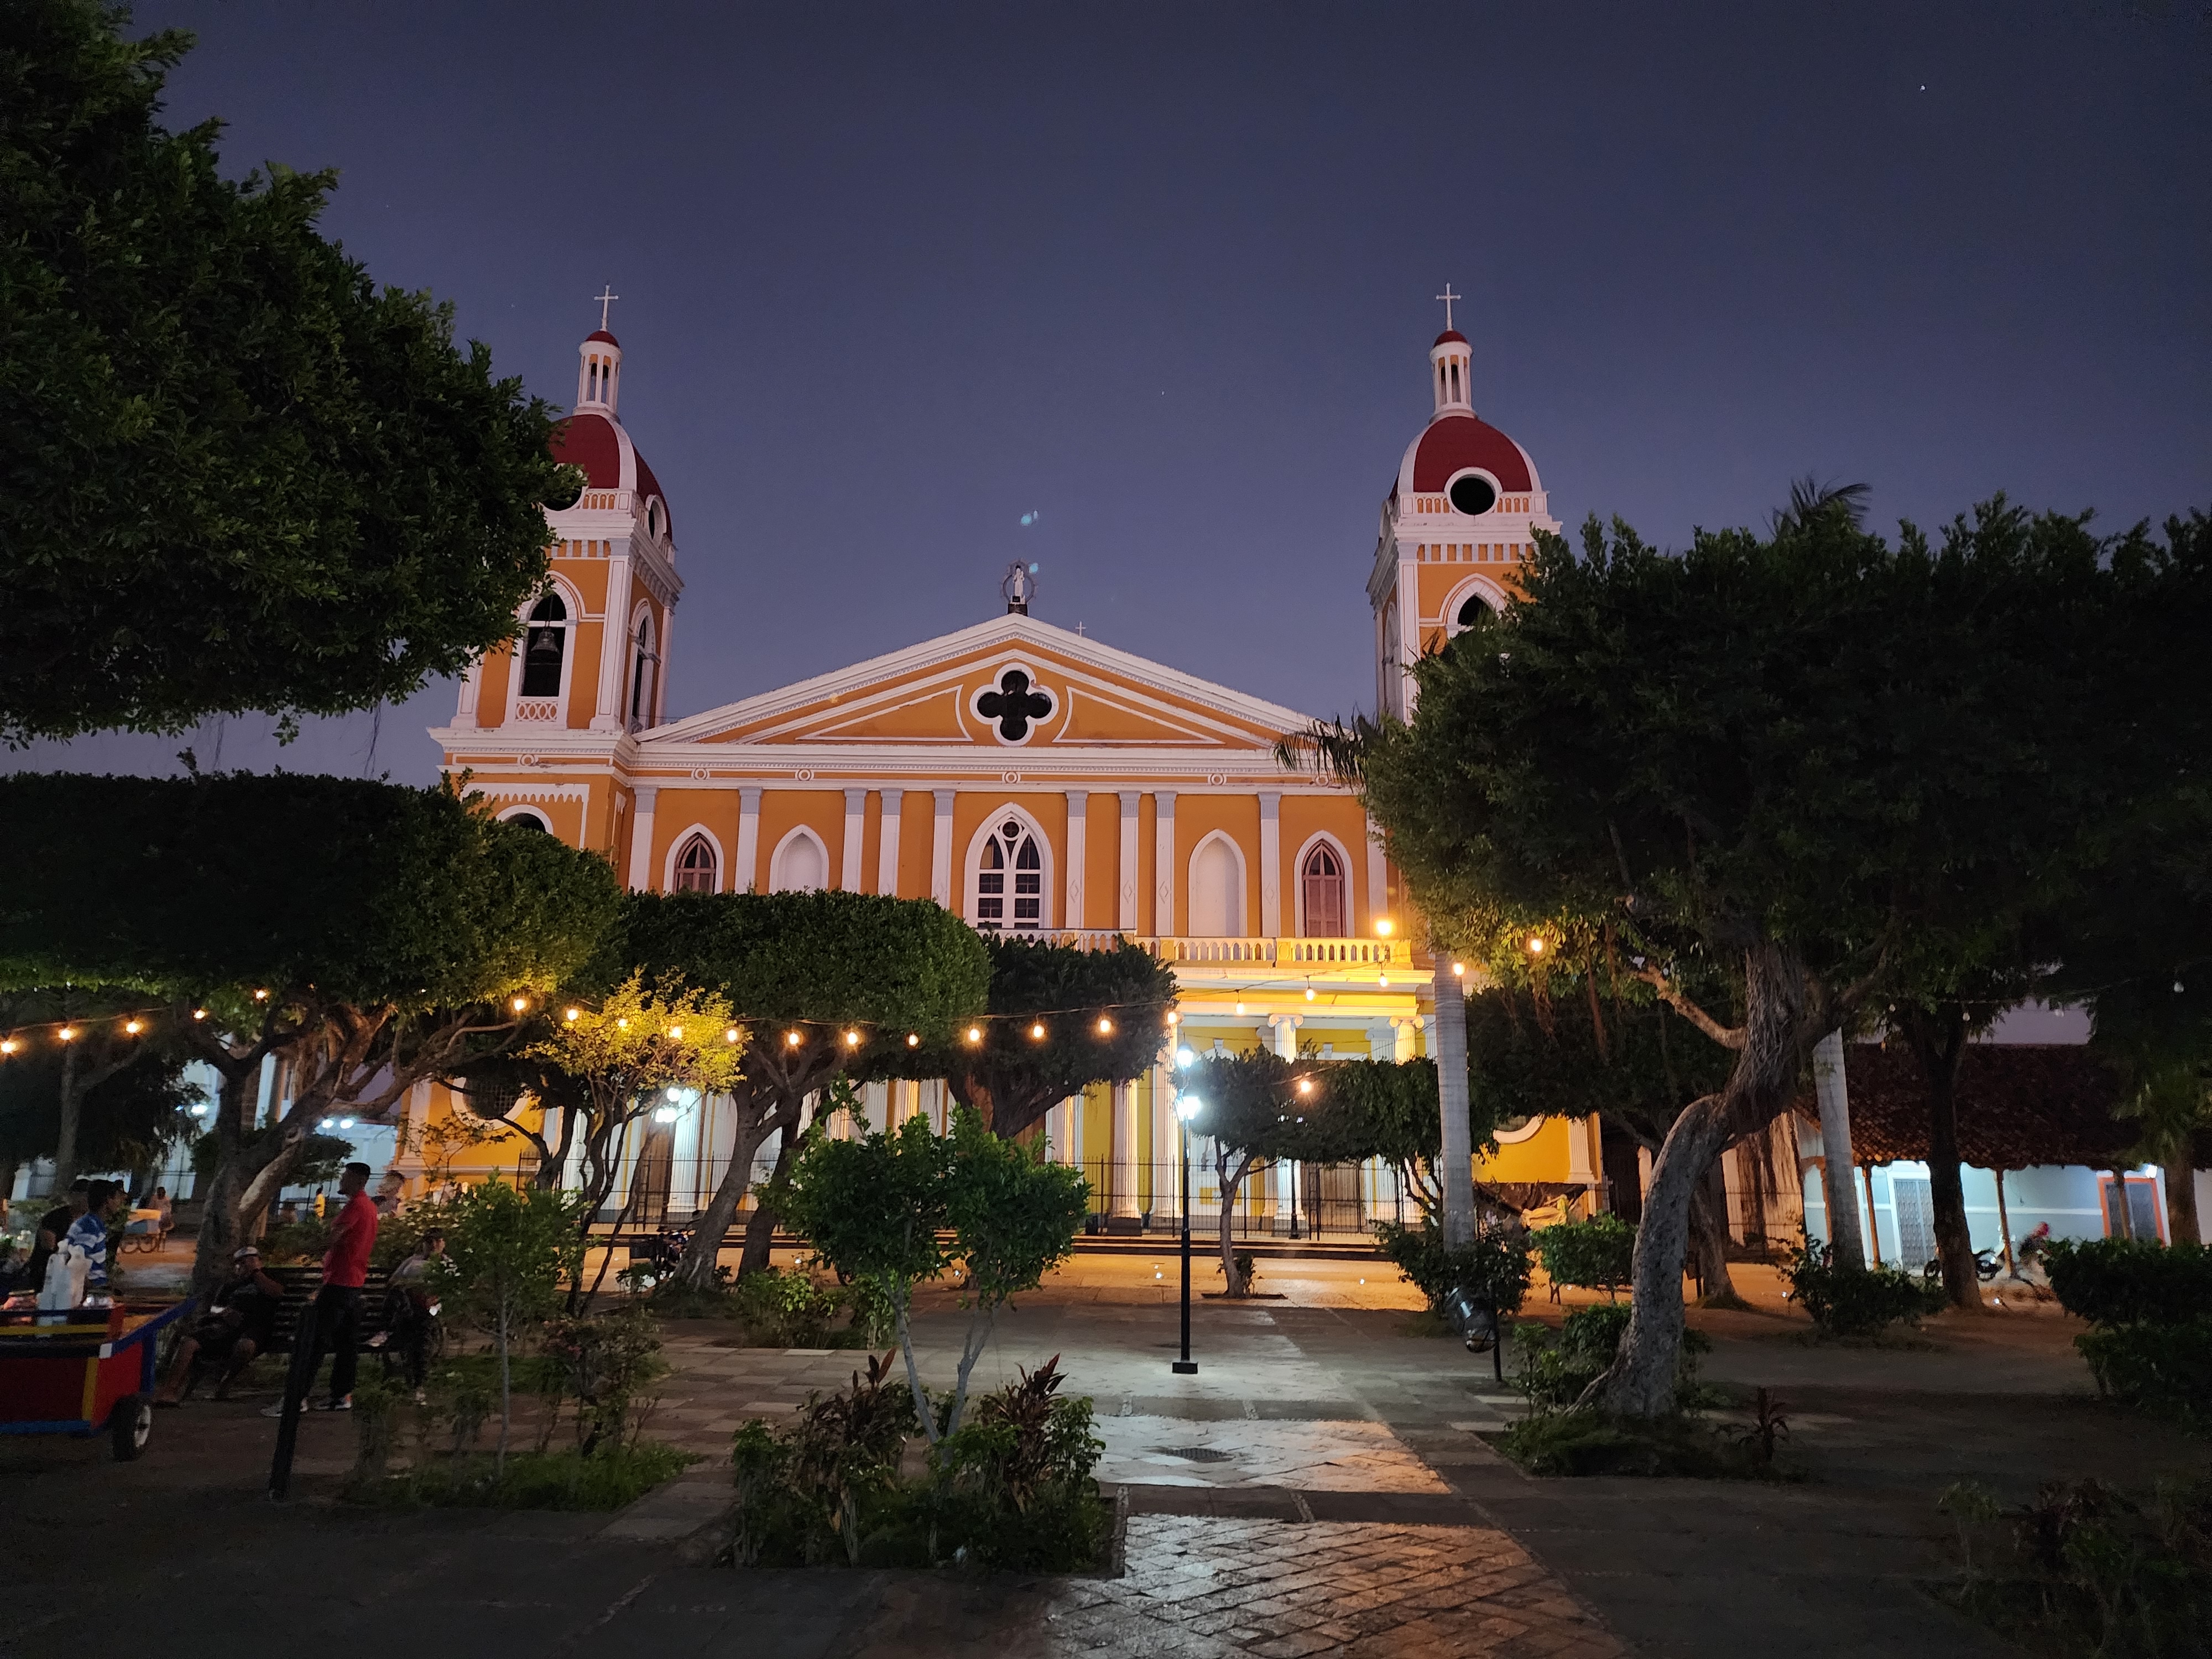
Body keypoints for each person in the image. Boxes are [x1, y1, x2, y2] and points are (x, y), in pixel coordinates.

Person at [264, 1162, 378, 1416]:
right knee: (347, 1344)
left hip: (339, 1282)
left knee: (315, 1341)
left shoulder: (356, 1206)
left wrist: (307, 1249)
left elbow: (334, 1236)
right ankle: (341, 1395)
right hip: (354, 1283)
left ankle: (297, 1398)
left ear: (358, 1181)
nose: (341, 1181)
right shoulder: (369, 1207)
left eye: (345, 1178)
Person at [155, 1245, 283, 1404]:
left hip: (255, 1329)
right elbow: (215, 1308)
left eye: (251, 1260)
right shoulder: (231, 1286)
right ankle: (170, 1391)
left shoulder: (269, 1278)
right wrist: (225, 1313)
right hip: (226, 1328)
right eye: (242, 1263)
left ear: (259, 1262)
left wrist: (256, 1273)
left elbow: (277, 1294)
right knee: (189, 1343)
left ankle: (225, 1383)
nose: (246, 1265)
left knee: (245, 1346)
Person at [381, 1228, 446, 1396]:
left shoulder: (447, 1264)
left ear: (443, 1244)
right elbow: (393, 1282)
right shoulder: (412, 1261)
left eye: (437, 1241)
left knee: (423, 1324)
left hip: (433, 1308)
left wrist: (432, 1294)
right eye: (429, 1242)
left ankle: (419, 1382)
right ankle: (417, 1381)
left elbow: (451, 1291)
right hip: (409, 1304)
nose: (433, 1245)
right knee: (400, 1299)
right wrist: (410, 1285)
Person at [23, 1179, 88, 1293]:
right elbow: (49, 1247)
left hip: (73, 1276)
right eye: (84, 1197)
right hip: (45, 1274)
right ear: (73, 1196)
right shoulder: (54, 1218)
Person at [64, 1179, 127, 1294]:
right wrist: (91, 1289)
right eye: (117, 1197)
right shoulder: (90, 1227)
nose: (120, 1202)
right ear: (107, 1200)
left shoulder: (92, 1223)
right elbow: (75, 1261)